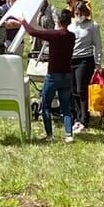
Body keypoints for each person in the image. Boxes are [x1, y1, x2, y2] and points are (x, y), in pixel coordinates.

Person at [22, 9, 77, 143]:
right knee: (65, 108)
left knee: (46, 105)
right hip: (67, 75)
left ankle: (49, 135)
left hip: (53, 76)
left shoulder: (54, 35)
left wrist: (23, 21)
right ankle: (68, 134)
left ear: (58, 21)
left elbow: (32, 32)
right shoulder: (71, 36)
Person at [68, 1, 103, 132]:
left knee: (81, 89)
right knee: (73, 90)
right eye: (76, 13)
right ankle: (77, 116)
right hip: (71, 59)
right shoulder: (71, 26)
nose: (78, 16)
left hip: (85, 60)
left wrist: (98, 62)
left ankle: (84, 118)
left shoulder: (92, 26)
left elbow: (98, 45)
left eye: (80, 13)